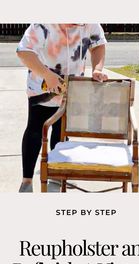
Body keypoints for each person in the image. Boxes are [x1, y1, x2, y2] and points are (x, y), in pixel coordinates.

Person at [17, 23, 108, 192]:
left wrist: (97, 69)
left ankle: (57, 174)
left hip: (71, 88)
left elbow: (98, 45)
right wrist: (47, 75)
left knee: (61, 130)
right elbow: (24, 51)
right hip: (41, 88)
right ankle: (27, 181)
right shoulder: (42, 24)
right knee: (36, 129)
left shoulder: (89, 23)